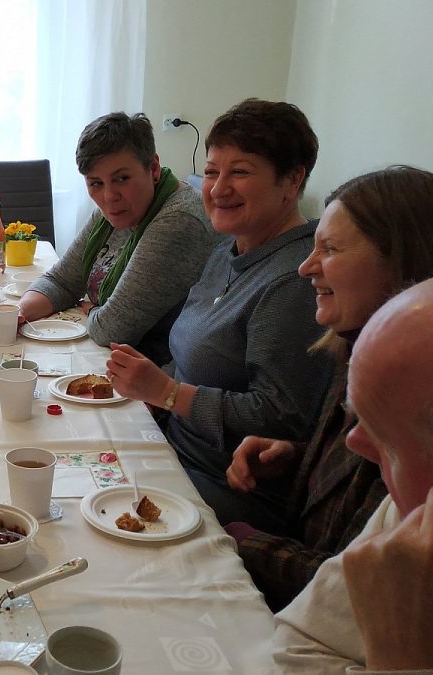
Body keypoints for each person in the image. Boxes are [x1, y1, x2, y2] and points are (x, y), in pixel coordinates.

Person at [106, 99, 333, 533]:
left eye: (241, 172)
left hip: (225, 486)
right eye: (212, 172)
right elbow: (191, 356)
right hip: (173, 448)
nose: (218, 188)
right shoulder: (227, 252)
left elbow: (281, 416)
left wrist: (168, 393)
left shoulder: (293, 279)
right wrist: (148, 395)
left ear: (292, 180)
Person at [224, 166, 433, 610]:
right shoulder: (353, 347)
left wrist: (234, 539)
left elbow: (354, 585)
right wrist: (300, 458)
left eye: (330, 249)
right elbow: (351, 478)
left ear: (401, 264)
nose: (305, 267)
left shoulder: (414, 398)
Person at [273, 278, 433, 672]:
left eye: (387, 438)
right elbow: (298, 645)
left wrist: (401, 660)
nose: (354, 442)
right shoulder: (407, 513)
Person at [18, 112, 218, 364]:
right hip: (114, 360)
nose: (109, 196)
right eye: (95, 183)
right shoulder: (115, 211)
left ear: (153, 168)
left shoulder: (178, 221)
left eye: (122, 179)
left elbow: (112, 329)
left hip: (156, 376)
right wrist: (16, 313)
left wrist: (94, 310)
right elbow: (62, 281)